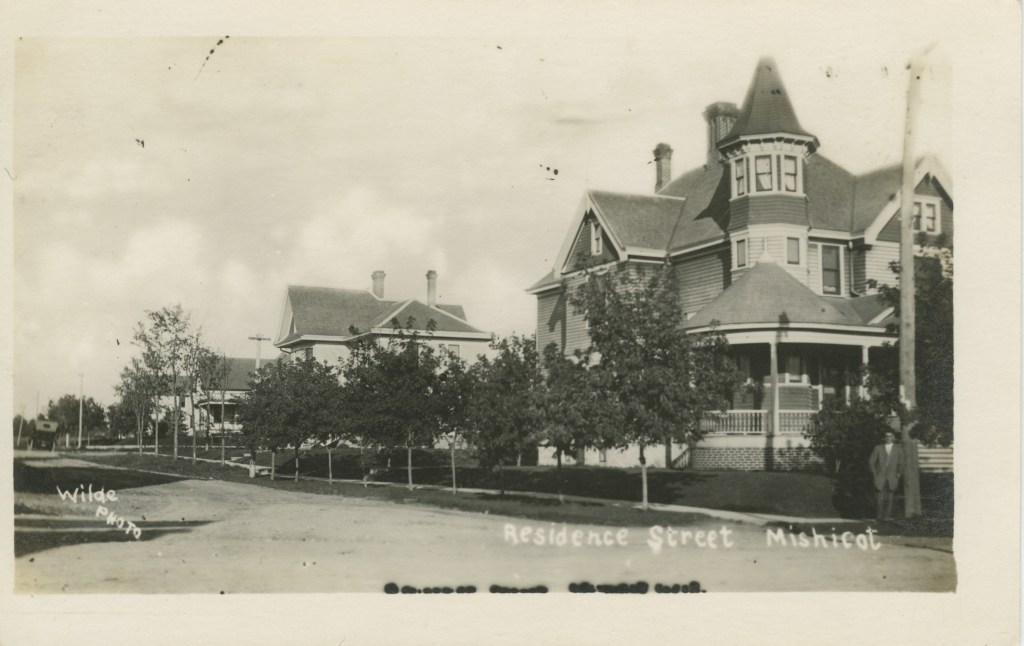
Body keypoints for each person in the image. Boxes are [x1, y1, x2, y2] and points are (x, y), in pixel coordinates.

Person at [869, 430, 903, 521]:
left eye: (890, 436)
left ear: (893, 438)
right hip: (880, 475)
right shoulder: (878, 448)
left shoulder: (898, 449)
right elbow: (871, 461)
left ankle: (887, 517)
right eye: (886, 436)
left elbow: (901, 463)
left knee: (890, 497)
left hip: (892, 476)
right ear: (884, 438)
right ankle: (879, 516)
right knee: (879, 497)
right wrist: (875, 473)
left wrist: (898, 474)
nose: (888, 438)